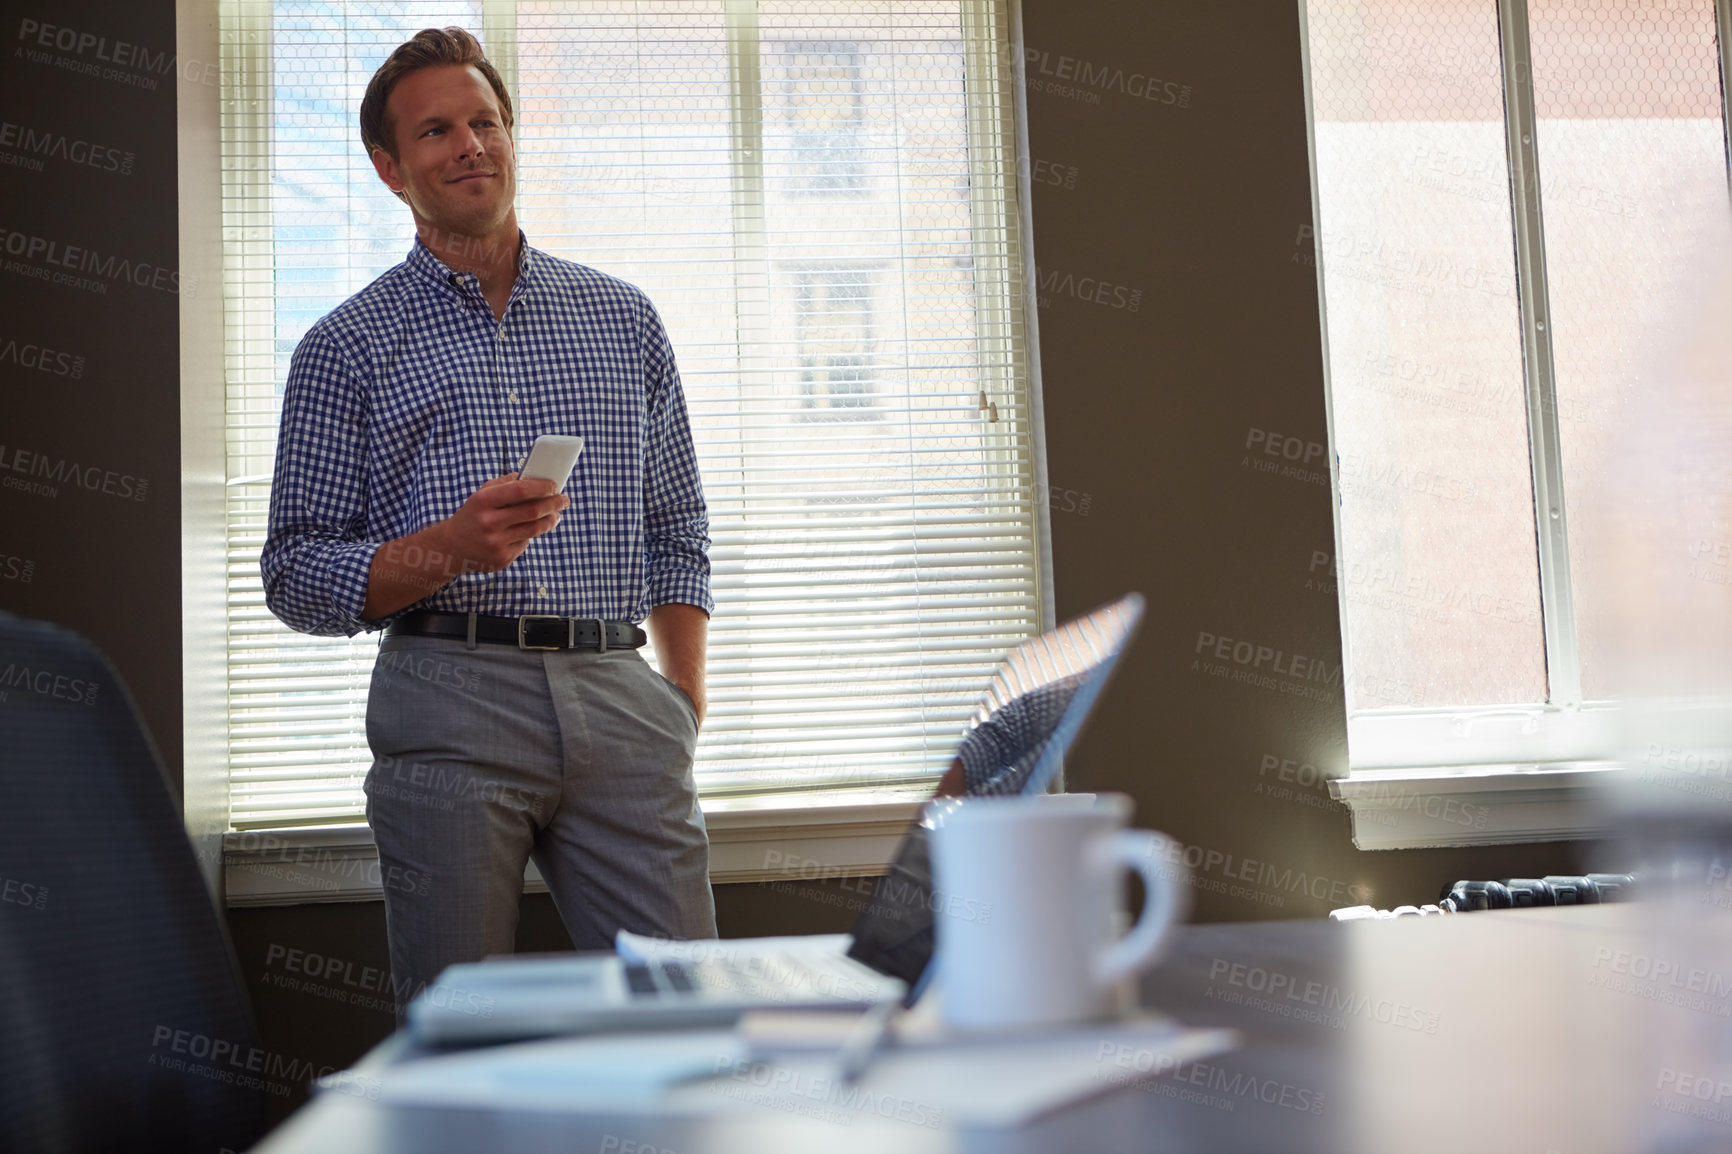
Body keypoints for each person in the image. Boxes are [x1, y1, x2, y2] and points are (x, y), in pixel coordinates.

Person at [261, 26, 716, 1015]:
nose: (468, 144)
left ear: (510, 136)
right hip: (446, 695)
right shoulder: (345, 348)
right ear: (391, 168)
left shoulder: (623, 318)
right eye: (435, 131)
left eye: (484, 121)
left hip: (620, 692)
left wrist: (681, 698)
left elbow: (676, 521)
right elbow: (295, 575)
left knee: (688, 1014)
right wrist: (449, 548)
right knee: (462, 1025)